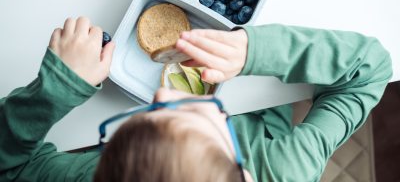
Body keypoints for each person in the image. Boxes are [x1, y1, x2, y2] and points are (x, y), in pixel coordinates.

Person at [0, 16, 392, 182]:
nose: (161, 92)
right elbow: (370, 69)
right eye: (200, 113)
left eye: (148, 115)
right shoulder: (288, 168)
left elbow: (8, 169)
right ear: (237, 161)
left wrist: (57, 88)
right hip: (270, 101)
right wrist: (254, 51)